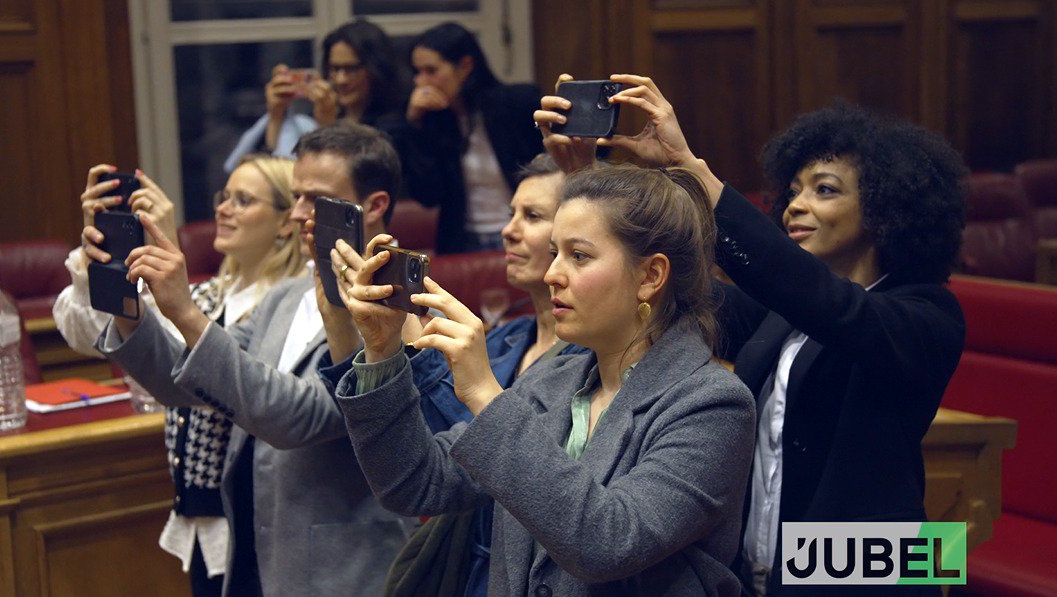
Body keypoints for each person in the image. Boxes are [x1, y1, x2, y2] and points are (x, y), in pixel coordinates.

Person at [542, 76, 967, 595]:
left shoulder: (928, 313)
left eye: (824, 190)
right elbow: (659, 287)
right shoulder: (782, 313)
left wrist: (691, 171)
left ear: (886, 209)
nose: (795, 205)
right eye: (792, 191)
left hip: (873, 574)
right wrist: (589, 182)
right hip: (761, 573)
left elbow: (828, 305)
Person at [331, 164, 756, 595]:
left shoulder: (712, 404)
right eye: (554, 252)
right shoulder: (554, 379)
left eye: (579, 255)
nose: (552, 273)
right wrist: (383, 351)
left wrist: (484, 394)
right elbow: (416, 483)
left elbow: (608, 543)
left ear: (650, 276)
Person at [92, 123, 412, 596]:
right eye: (297, 196)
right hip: (258, 551)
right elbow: (190, 380)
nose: (299, 213)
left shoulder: (397, 306)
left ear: (376, 205)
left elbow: (299, 416)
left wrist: (184, 310)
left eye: (316, 199)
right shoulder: (286, 295)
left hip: (343, 570)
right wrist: (126, 304)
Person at [323, 153, 588, 597]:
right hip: (465, 567)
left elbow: (476, 446)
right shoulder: (507, 338)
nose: (509, 229)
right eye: (510, 214)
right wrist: (384, 338)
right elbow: (420, 450)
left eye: (533, 216)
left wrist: (410, 340)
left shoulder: (591, 361)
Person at [53, 156, 304, 596]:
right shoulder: (209, 292)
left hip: (252, 514)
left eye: (243, 201)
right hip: (200, 512)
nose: (224, 209)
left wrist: (165, 255)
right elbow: (90, 333)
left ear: (287, 222)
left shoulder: (286, 307)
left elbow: (198, 375)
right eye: (223, 197)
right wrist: (98, 259)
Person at [402, 22, 543, 253]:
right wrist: (415, 124)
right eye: (417, 72)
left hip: (521, 231)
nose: (420, 82)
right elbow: (428, 196)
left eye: (431, 71)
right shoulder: (434, 120)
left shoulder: (517, 103)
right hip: (463, 240)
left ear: (465, 66)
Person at [225, 19, 407, 173]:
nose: (341, 79)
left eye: (352, 69)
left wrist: (327, 127)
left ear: (377, 68)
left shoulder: (396, 124)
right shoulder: (316, 115)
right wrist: (276, 115)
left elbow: (344, 180)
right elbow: (271, 173)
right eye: (335, 68)